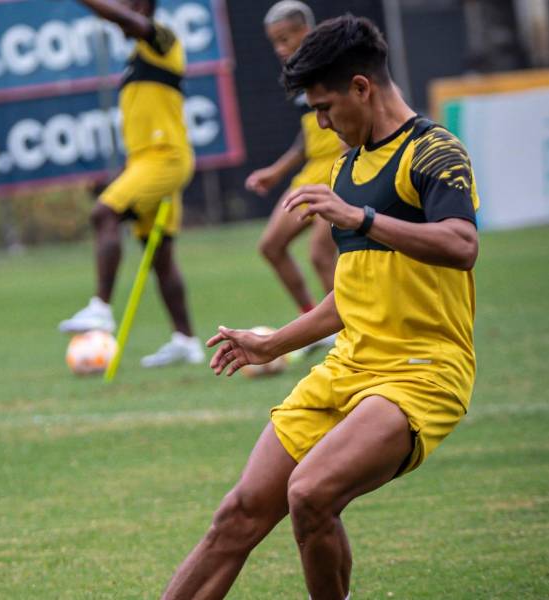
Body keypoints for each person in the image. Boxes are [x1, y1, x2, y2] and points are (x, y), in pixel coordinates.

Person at [162, 14, 479, 600]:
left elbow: (462, 245)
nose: (323, 124)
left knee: (309, 493)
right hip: (347, 369)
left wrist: (361, 218)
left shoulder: (435, 152)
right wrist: (271, 343)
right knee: (239, 513)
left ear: (361, 87)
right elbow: (353, 293)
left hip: (421, 373)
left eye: (325, 108)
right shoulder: (345, 167)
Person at [58, 0, 204, 368]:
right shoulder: (136, 58)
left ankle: (101, 309)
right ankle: (186, 341)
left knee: (104, 214)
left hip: (165, 157)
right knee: (160, 255)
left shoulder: (163, 40)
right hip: (144, 161)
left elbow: (122, 17)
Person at [245, 1, 342, 332]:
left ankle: (348, 330)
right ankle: (312, 320)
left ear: (307, 32)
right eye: (274, 42)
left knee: (320, 254)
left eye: (285, 39)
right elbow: (308, 133)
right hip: (312, 171)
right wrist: (276, 171)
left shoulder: (335, 66)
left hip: (339, 170)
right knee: (271, 246)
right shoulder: (299, 76)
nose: (279, 48)